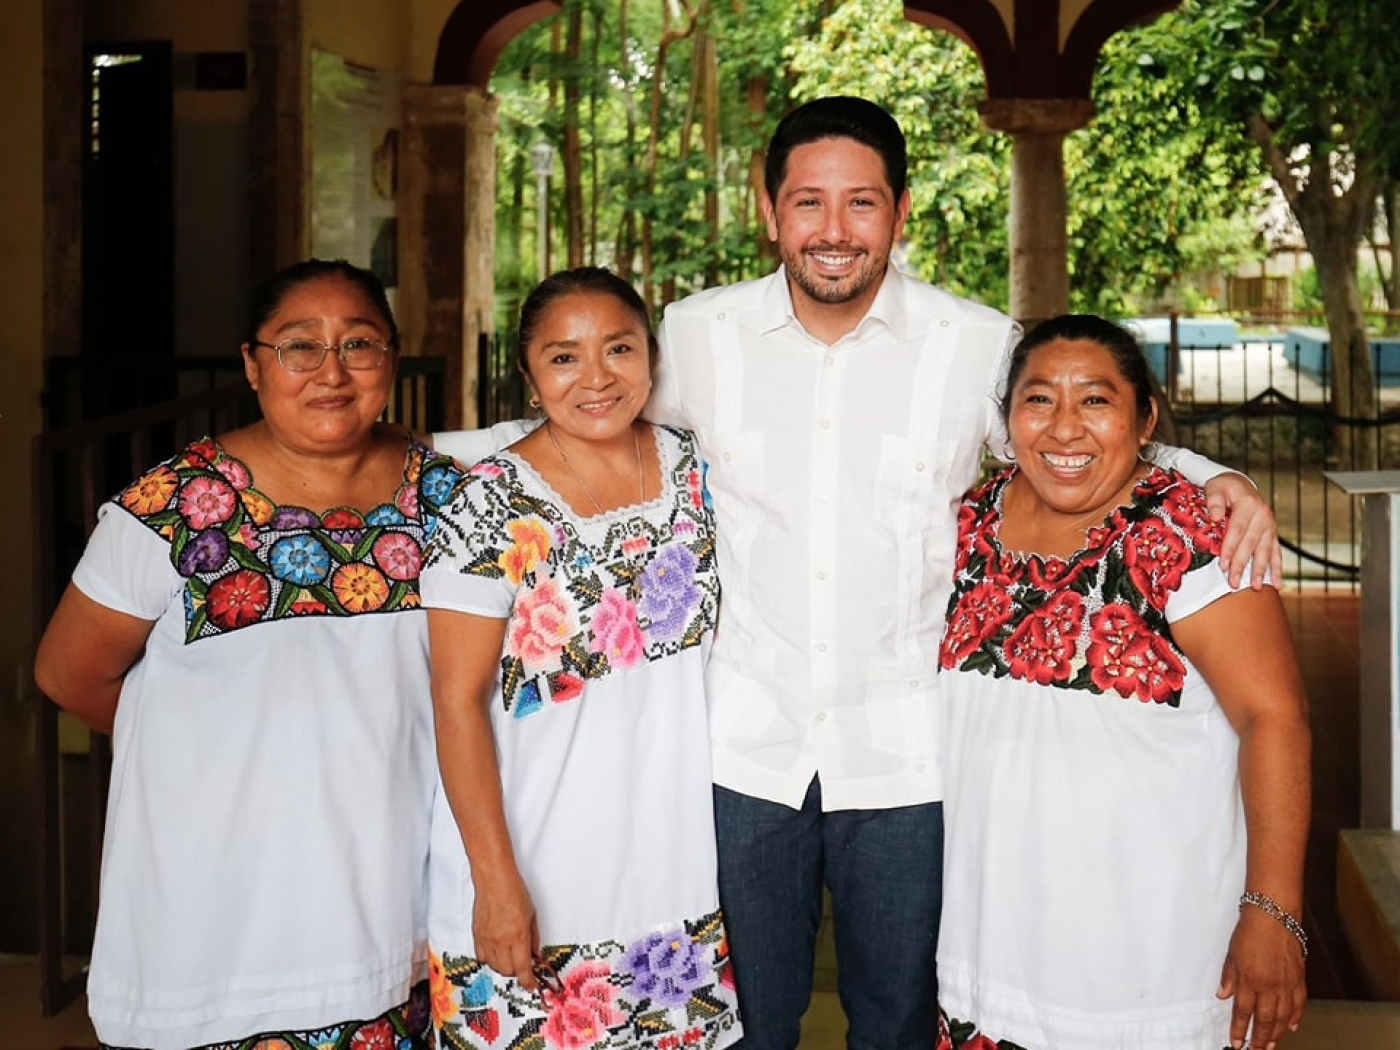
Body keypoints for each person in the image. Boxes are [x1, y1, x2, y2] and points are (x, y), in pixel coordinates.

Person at [646, 96, 1282, 1050]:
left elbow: (1069, 441)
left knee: (901, 1024)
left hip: (907, 753)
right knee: (745, 1025)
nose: (833, 230)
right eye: (807, 202)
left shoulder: (973, 344)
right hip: (745, 747)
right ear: (767, 209)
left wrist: (1213, 475)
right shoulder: (696, 334)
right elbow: (589, 418)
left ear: (900, 214)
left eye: (861, 204)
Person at [33, 259, 457, 1050]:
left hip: (382, 907)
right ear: (253, 364)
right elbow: (67, 673)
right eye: (300, 347)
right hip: (219, 918)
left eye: (360, 344)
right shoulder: (172, 506)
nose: (332, 372)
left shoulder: (446, 495)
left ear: (392, 359)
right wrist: (200, 745)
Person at [934, 313, 1310, 1050]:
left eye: (1096, 401)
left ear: (1145, 420)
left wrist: (1273, 910)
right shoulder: (966, 525)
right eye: (1038, 400)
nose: (1065, 429)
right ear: (1008, 422)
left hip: (1146, 972)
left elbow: (1277, 718)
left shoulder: (1195, 537)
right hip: (983, 960)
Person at [420, 267, 742, 1050]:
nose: (596, 378)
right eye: (563, 358)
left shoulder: (699, 469)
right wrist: (497, 885)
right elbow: (456, 702)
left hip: (674, 867)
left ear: (652, 358)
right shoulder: (488, 500)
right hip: (533, 862)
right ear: (530, 376)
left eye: (619, 349)